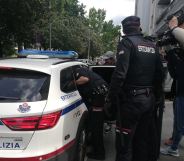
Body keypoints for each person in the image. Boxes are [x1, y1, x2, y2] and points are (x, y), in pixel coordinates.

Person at [108, 16, 164, 161]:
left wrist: (111, 98)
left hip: (131, 103)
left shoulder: (126, 43)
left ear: (125, 30)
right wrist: (157, 97)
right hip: (148, 101)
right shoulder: (152, 45)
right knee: (141, 142)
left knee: (124, 145)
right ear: (139, 28)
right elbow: (160, 74)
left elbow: (120, 75)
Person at [160, 16, 184, 157]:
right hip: (179, 89)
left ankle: (174, 148)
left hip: (182, 92)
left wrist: (174, 27)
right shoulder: (178, 52)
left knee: (179, 122)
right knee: (179, 120)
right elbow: (175, 71)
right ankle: (175, 139)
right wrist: (170, 52)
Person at [74, 66, 108, 160]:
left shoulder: (78, 70)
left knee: (96, 127)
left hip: (97, 98)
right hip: (99, 96)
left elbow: (85, 79)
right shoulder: (84, 69)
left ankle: (99, 154)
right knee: (94, 124)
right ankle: (94, 145)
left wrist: (72, 83)